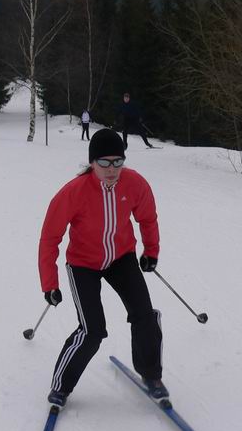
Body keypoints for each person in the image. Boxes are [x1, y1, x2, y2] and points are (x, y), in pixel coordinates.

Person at [38, 128, 166, 409]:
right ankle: (61, 386)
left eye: (118, 162)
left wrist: (151, 251)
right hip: (83, 263)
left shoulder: (135, 184)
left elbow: (147, 218)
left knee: (144, 315)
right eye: (104, 162)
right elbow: (50, 238)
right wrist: (50, 284)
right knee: (92, 330)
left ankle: (151, 375)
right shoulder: (73, 192)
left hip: (121, 258)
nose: (111, 169)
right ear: (92, 162)